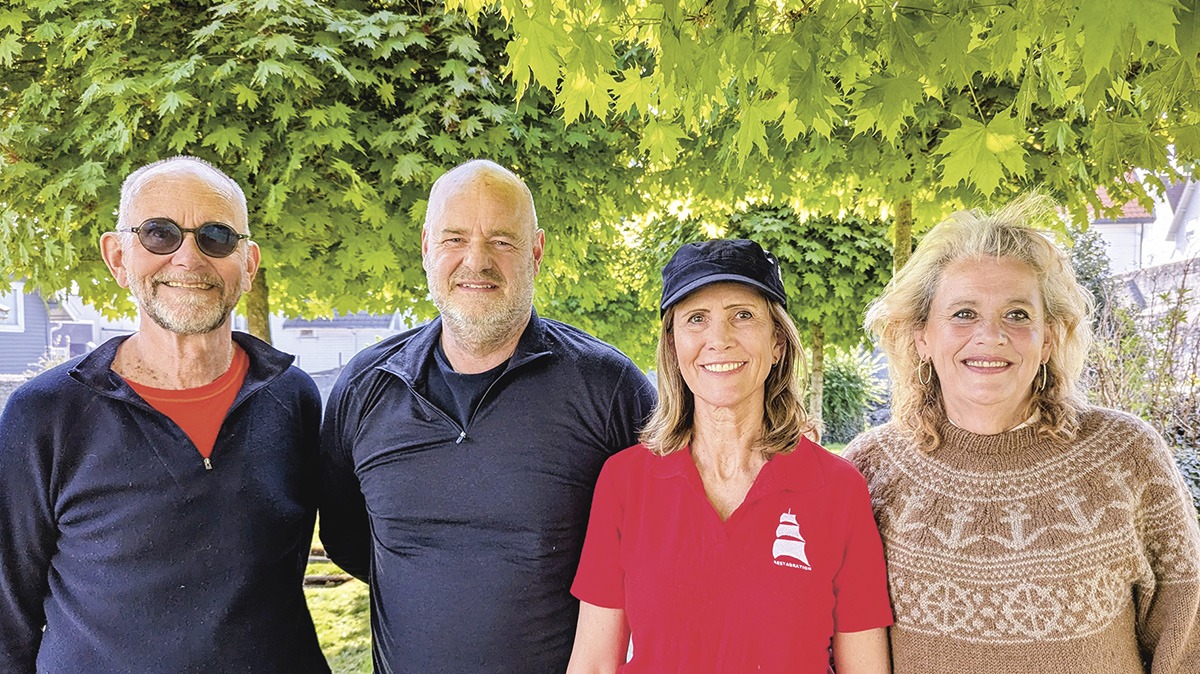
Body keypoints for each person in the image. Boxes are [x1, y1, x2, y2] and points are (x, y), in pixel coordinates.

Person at [319, 159, 656, 674]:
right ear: (427, 247)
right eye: (454, 238)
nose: (475, 261)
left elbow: (667, 543)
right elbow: (349, 541)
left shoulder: (608, 389)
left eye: (502, 240)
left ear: (536, 253)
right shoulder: (367, 387)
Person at [843, 195, 1200, 674]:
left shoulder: (1127, 454)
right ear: (921, 336)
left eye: (1017, 314)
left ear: (1049, 338)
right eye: (963, 313)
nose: (990, 335)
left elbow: (1187, 634)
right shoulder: (869, 470)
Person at [0, 157, 329, 673]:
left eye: (216, 237)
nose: (187, 259)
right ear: (118, 256)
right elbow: (7, 618)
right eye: (159, 234)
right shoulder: (44, 416)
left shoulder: (293, 398)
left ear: (248, 263)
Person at [567, 239, 893, 674]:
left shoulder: (838, 488)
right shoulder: (625, 481)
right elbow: (592, 663)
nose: (718, 340)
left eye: (743, 315)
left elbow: (866, 668)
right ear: (673, 346)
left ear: (777, 342)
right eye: (696, 319)